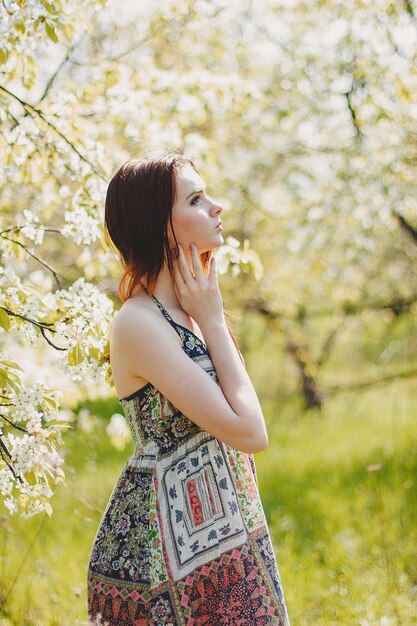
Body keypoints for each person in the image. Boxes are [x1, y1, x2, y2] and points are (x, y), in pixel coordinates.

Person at [87, 149, 291, 625]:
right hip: (161, 557)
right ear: (161, 225)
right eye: (197, 199)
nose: (217, 207)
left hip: (228, 537)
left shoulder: (192, 310)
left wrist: (209, 317)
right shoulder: (137, 323)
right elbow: (250, 431)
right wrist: (215, 322)